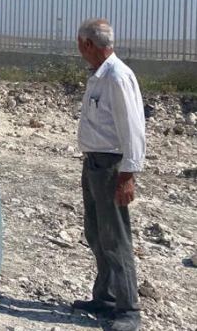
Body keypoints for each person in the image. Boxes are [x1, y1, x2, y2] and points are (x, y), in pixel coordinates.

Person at [73, 18, 146, 331]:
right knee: (96, 233)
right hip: (94, 164)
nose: (79, 49)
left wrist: (127, 173)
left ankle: (129, 310)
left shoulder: (117, 76)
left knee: (115, 238)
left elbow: (133, 127)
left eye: (80, 43)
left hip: (110, 166)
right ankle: (105, 297)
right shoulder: (98, 76)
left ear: (88, 44)